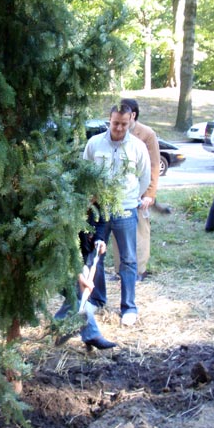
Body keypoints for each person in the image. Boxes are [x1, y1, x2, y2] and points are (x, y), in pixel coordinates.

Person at [83, 104, 150, 326]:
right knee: (95, 256)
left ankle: (129, 307)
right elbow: (86, 172)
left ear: (130, 120)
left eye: (124, 123)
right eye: (115, 123)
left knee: (128, 259)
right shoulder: (94, 144)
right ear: (109, 121)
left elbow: (144, 178)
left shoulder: (138, 147)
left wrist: (130, 199)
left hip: (125, 210)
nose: (119, 128)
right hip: (99, 211)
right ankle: (97, 300)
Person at [111, 98, 160, 282]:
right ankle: (119, 270)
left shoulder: (147, 134)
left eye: (125, 117)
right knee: (118, 234)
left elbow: (154, 166)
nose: (120, 124)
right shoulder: (115, 132)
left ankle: (139, 271)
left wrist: (149, 194)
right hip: (119, 195)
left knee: (139, 232)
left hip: (140, 194)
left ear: (133, 115)